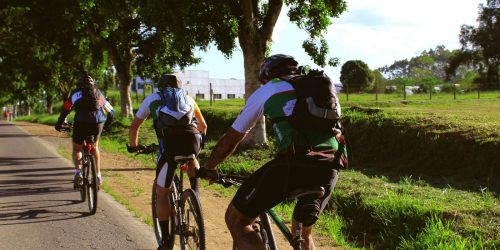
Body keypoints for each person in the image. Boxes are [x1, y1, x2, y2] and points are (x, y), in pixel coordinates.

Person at [199, 54, 344, 250]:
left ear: (267, 75)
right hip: (332, 162)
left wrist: (210, 166)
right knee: (302, 231)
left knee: (237, 220)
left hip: (294, 163)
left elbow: (233, 137)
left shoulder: (269, 89)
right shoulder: (318, 88)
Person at [127, 74, 207, 250]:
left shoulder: (153, 98)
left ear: (160, 86)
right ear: (180, 86)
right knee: (192, 157)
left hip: (170, 147)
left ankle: (165, 240)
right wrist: (201, 144)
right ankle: (195, 193)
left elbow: (135, 126)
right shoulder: (188, 98)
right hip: (192, 142)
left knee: (162, 193)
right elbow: (203, 126)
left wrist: (134, 146)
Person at [55, 75, 114, 188]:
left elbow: (66, 109)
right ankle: (98, 175)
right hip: (98, 122)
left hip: (81, 122)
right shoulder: (98, 93)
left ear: (79, 84)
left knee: (77, 148)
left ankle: (78, 173)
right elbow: (111, 112)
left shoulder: (75, 93)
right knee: (95, 147)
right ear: (92, 84)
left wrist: (59, 123)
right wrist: (106, 127)